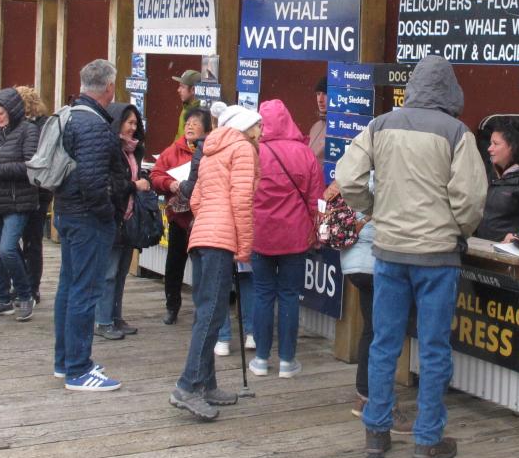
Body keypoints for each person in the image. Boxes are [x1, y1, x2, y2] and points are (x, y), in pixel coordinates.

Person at [336, 55, 487, 458]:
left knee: (384, 343)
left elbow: (347, 178)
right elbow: (471, 199)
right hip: (437, 257)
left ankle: (376, 432)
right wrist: (458, 230)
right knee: (435, 348)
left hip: (389, 252)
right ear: (451, 91)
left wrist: (373, 208)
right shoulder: (457, 133)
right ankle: (427, 440)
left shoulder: (380, 124)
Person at [169, 105, 261, 422]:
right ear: (247, 128)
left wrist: (207, 220)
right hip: (221, 238)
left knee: (205, 310)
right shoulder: (243, 149)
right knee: (211, 314)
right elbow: (242, 200)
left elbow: (194, 198)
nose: (261, 132)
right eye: (258, 126)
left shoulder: (210, 150)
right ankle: (188, 385)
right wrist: (245, 246)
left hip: (202, 235)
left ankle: (207, 383)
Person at [52, 59, 125, 391]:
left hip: (67, 213)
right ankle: (78, 369)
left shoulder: (68, 114)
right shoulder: (94, 125)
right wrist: (107, 213)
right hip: (87, 220)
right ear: (109, 87)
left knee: (69, 287)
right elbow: (93, 180)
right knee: (84, 292)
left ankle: (65, 361)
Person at [247, 98, 323, 379]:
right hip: (295, 237)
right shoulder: (305, 154)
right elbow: (317, 200)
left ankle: (261, 359)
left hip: (261, 235)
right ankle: (287, 361)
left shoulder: (253, 152)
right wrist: (318, 233)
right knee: (290, 295)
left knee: (263, 293)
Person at [334, 178, 413, 432]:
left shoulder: (358, 173)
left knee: (372, 329)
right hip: (375, 260)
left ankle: (364, 396)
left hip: (355, 261)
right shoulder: (386, 175)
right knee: (385, 334)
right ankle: (383, 406)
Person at [0, 88, 40, 323]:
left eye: (0, 112)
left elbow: (31, 165)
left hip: (18, 200)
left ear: (12, 110)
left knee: (7, 249)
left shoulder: (29, 130)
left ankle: (25, 295)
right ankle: (3, 298)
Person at [94, 102, 149, 340]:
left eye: (136, 124)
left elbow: (131, 177)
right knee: (108, 272)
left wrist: (143, 177)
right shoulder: (109, 150)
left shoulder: (134, 150)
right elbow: (111, 184)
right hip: (112, 216)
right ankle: (102, 320)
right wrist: (134, 185)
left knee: (121, 272)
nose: (133, 128)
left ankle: (115, 316)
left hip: (128, 218)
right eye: (129, 123)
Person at [152, 108, 211, 325]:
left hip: (203, 220)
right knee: (174, 264)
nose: (190, 126)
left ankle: (202, 310)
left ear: (206, 127)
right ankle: (172, 305)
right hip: (179, 218)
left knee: (203, 267)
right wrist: (170, 184)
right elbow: (155, 175)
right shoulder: (173, 151)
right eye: (188, 123)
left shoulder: (210, 150)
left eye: (195, 123)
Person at [15, 86, 51, 302]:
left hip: (35, 189)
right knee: (31, 240)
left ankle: (30, 285)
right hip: (41, 189)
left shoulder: (33, 127)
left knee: (29, 239)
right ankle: (29, 284)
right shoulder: (45, 124)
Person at [172, 69, 203, 143]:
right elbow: (179, 137)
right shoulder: (186, 107)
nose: (178, 90)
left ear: (193, 90)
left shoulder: (201, 114)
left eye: (182, 87)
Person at [309, 76, 327, 166]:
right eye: (318, 94)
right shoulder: (315, 127)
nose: (320, 100)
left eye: (325, 94)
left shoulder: (341, 127)